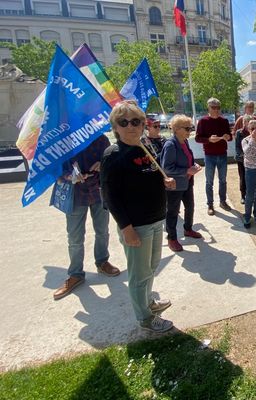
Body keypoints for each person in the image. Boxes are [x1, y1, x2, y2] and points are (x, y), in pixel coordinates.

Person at [101, 100, 176, 333]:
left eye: (136, 121)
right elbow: (110, 196)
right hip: (137, 225)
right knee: (138, 274)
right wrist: (126, 228)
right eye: (124, 122)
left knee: (150, 268)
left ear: (143, 124)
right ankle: (144, 318)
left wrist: (165, 182)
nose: (131, 126)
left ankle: (148, 303)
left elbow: (151, 175)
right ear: (116, 126)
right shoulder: (113, 155)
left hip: (155, 219)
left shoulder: (144, 146)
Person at [53, 135, 121, 300]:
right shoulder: (63, 141)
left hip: (98, 192)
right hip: (75, 195)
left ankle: (102, 262)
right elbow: (56, 169)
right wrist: (69, 176)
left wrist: (103, 164)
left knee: (102, 231)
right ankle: (75, 274)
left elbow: (112, 163)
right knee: (75, 237)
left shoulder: (101, 140)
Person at [161, 114, 203, 253]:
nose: (190, 130)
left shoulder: (184, 141)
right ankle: (172, 238)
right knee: (172, 211)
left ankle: (188, 229)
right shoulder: (171, 145)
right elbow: (166, 168)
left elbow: (188, 159)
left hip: (187, 182)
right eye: (187, 128)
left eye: (190, 127)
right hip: (175, 185)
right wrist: (187, 170)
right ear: (177, 129)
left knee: (190, 206)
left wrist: (194, 165)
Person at [195, 97, 232, 215]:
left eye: (218, 108)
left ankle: (223, 201)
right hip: (209, 155)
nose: (216, 110)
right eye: (213, 107)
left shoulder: (224, 121)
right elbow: (197, 138)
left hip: (222, 154)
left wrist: (227, 137)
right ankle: (210, 204)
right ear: (208, 108)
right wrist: (209, 140)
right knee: (209, 181)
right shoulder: (203, 121)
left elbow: (230, 137)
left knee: (223, 180)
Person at [235, 115, 253, 204]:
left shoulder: (253, 132)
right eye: (245, 121)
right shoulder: (239, 133)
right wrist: (243, 155)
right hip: (241, 159)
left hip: (252, 160)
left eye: (249, 121)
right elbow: (237, 147)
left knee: (251, 178)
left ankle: (250, 194)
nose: (247, 123)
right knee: (243, 177)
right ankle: (243, 195)